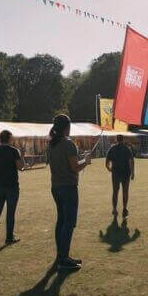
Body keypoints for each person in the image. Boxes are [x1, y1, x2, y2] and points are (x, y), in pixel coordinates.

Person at [47, 114, 91, 271]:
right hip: (68, 187)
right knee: (69, 223)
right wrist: (85, 161)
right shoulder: (68, 144)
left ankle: (61, 255)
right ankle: (64, 259)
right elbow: (75, 167)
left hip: (56, 187)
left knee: (61, 221)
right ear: (67, 126)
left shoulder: (52, 144)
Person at [0, 130, 25, 245]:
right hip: (12, 186)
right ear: (9, 138)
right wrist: (22, 155)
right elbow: (20, 167)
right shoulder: (14, 151)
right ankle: (9, 237)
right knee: (10, 212)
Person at [105, 135, 135, 218]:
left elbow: (107, 162)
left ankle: (114, 209)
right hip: (126, 173)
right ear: (123, 139)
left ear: (116, 139)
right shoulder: (127, 149)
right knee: (125, 191)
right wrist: (133, 173)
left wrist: (109, 169)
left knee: (115, 191)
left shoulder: (112, 149)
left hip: (116, 173)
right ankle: (124, 208)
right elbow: (131, 161)